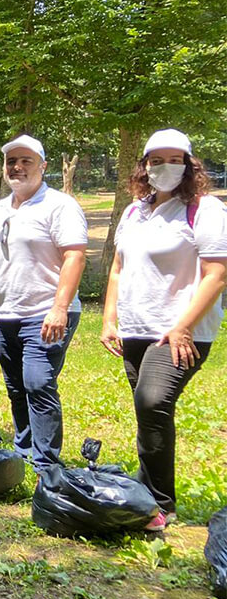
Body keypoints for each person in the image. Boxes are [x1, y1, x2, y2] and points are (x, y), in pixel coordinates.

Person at [100, 128, 227, 531]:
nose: (165, 167)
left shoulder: (204, 210)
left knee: (153, 401)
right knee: (147, 409)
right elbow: (118, 268)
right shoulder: (135, 210)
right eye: (156, 160)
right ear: (145, 166)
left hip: (177, 331)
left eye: (175, 160)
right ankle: (150, 488)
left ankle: (159, 504)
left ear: (190, 165)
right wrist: (108, 319)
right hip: (136, 327)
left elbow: (217, 273)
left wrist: (183, 327)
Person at [0, 134, 87, 471]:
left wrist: (59, 308)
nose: (17, 167)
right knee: (16, 386)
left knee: (38, 382)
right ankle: (23, 452)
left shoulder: (60, 206)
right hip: (6, 313)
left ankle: (46, 464)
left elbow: (74, 256)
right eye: (11, 161)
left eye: (25, 161)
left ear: (43, 166)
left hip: (46, 312)